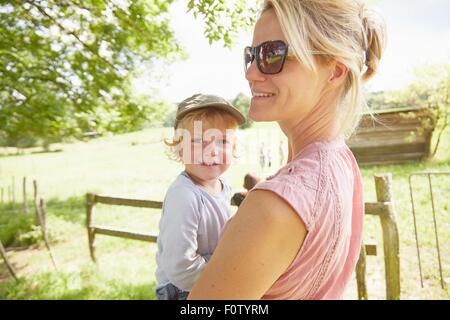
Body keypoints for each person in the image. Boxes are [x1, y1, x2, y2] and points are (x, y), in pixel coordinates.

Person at [189, 0, 386, 300]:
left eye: (273, 54)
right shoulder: (339, 161)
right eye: (251, 55)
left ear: (334, 71)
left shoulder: (274, 206)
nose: (251, 73)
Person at [155, 93, 245, 300]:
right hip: (185, 291)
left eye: (223, 141)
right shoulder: (184, 196)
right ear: (178, 149)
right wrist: (224, 280)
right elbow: (181, 266)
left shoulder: (223, 187)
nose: (211, 151)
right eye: (197, 141)